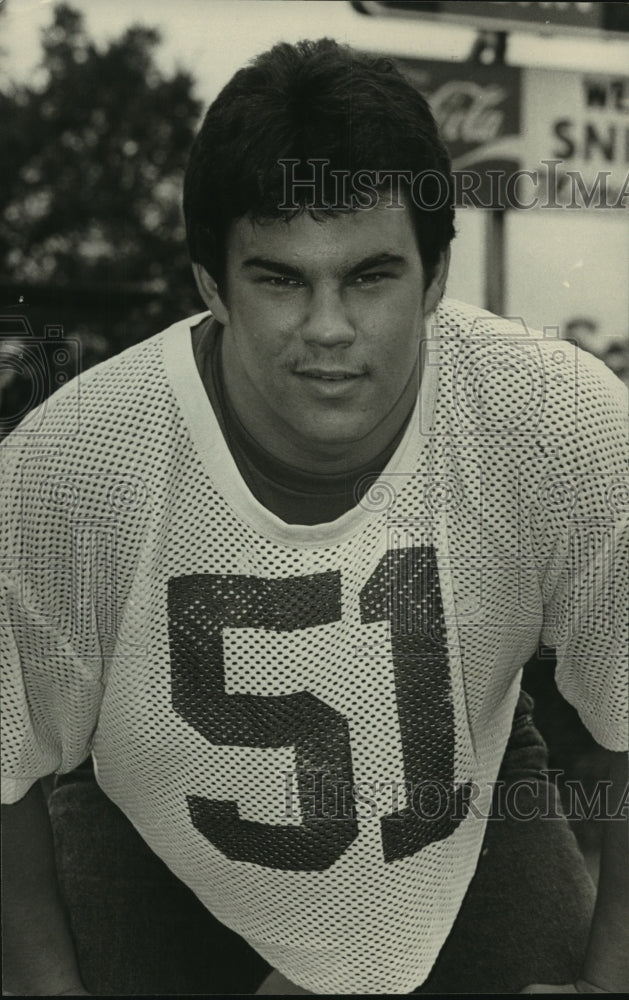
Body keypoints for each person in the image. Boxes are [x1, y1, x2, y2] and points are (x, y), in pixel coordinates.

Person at [1, 38, 627, 996]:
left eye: (370, 276)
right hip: (152, 813)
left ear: (434, 275)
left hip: (458, 794)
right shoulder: (76, 465)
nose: (328, 328)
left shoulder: (556, 422)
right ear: (212, 284)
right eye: (280, 278)